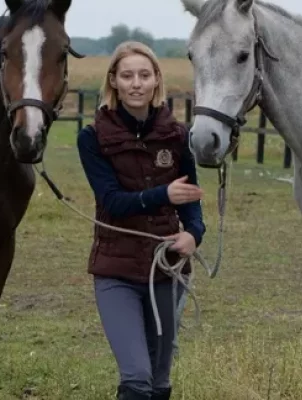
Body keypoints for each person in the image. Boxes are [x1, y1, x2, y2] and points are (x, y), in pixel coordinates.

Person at [76, 40, 206, 400]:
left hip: (166, 272)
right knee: (136, 378)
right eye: (128, 75)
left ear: (156, 81)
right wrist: (163, 196)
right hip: (116, 273)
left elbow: (191, 205)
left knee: (160, 381)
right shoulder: (92, 139)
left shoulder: (180, 137)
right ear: (113, 82)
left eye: (144, 75)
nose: (136, 83)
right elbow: (113, 203)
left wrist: (194, 235)